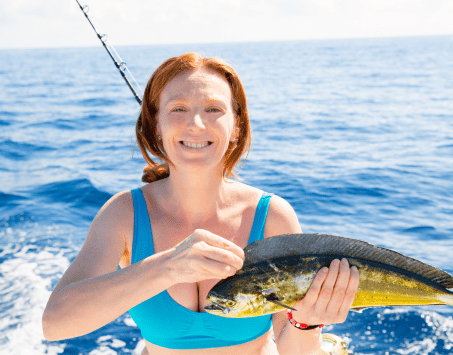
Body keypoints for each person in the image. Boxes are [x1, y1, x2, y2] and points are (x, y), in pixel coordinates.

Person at [42, 52, 359, 355]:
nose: (195, 123)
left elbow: (292, 349)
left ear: (236, 126)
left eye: (214, 109)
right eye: (178, 109)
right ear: (156, 126)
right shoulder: (122, 214)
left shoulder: (273, 216)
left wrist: (307, 322)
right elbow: (55, 324)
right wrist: (166, 268)